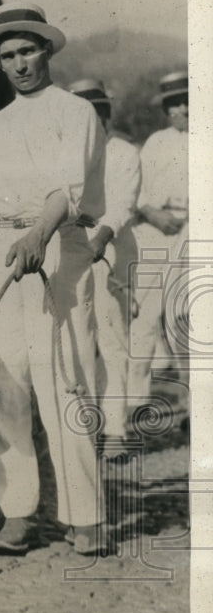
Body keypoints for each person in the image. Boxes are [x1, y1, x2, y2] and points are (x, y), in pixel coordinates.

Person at [0, 3, 109, 556]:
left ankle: (84, 516)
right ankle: (16, 510)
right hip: (0, 254)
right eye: (8, 56)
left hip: (58, 247)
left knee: (64, 380)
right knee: (0, 382)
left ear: (47, 51)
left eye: (27, 51)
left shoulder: (75, 111)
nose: (18, 63)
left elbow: (69, 187)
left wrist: (38, 233)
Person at [68, 78, 142, 451]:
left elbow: (123, 204)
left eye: (97, 114)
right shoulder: (66, 154)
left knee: (112, 341)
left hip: (110, 254)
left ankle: (115, 429)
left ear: (106, 115)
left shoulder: (123, 152)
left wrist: (100, 237)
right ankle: (85, 426)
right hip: (73, 255)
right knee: (78, 342)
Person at [127, 70, 189, 411]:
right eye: (175, 105)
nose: (183, 109)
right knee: (145, 315)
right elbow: (136, 192)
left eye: (187, 102)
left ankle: (195, 399)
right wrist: (153, 214)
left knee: (187, 314)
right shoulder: (156, 142)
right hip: (155, 226)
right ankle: (135, 397)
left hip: (194, 228)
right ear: (166, 111)